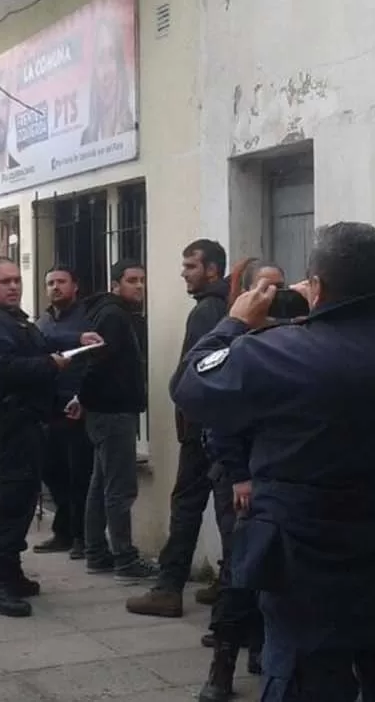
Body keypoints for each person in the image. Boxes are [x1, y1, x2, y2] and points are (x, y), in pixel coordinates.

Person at [173, 222, 375, 702]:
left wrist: (234, 323)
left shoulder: (273, 353)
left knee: (307, 682)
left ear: (319, 287)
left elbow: (191, 387)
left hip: (307, 563)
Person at [0, 257, 99, 617]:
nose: (13, 286)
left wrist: (59, 401)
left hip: (29, 423)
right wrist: (51, 365)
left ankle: (12, 574)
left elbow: (38, 349)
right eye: (5, 281)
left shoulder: (16, 320)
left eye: (17, 280)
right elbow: (5, 370)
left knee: (23, 503)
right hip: (8, 426)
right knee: (10, 506)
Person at [126, 239, 233, 618]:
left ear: (212, 270)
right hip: (215, 426)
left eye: (190, 266)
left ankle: (169, 587)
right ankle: (228, 584)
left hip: (202, 427)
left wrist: (187, 404)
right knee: (223, 508)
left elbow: (200, 369)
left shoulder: (207, 311)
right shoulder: (224, 305)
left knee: (189, 504)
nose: (183, 273)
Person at [196, 257, 282, 701]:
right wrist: (239, 476)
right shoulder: (236, 343)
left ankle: (261, 648)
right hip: (241, 477)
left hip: (278, 476)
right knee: (239, 570)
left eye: (280, 289)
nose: (273, 297)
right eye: (264, 288)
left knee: (272, 570)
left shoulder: (287, 341)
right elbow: (217, 416)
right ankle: (222, 668)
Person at [76, 259, 155, 581]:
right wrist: (84, 396)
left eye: (142, 280)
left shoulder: (115, 314)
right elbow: (95, 362)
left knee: (100, 485)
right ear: (115, 285)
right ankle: (124, 559)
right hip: (112, 412)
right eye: (132, 280)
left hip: (106, 410)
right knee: (120, 488)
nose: (139, 286)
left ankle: (96, 552)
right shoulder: (113, 316)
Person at [35, 265, 92, 559]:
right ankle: (64, 529)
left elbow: (94, 356)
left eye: (61, 282)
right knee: (51, 470)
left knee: (79, 472)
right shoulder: (44, 320)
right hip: (49, 405)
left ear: (75, 286)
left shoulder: (86, 317)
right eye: (50, 282)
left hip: (77, 405)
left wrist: (83, 397)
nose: (55, 287)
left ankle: (82, 536)